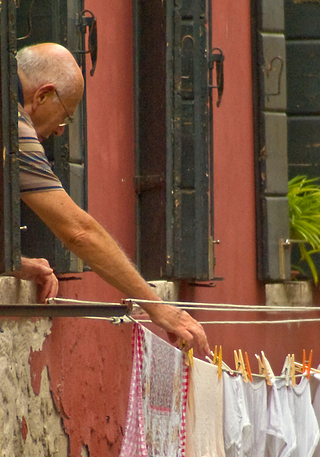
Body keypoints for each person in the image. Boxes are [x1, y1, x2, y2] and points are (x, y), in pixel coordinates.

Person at [11, 42, 210, 357]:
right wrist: (160, 309)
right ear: (43, 95)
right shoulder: (15, 124)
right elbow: (79, 232)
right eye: (65, 116)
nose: (61, 131)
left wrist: (11, 262)